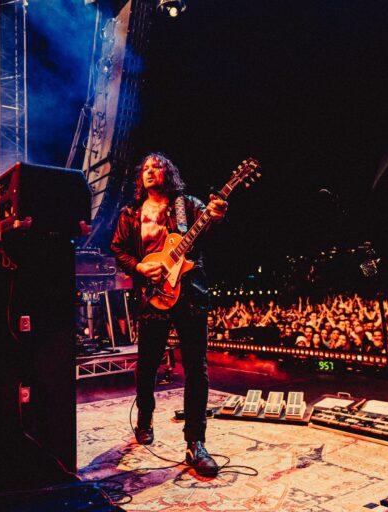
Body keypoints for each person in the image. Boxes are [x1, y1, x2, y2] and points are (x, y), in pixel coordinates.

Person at [110, 152, 227, 477]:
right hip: (153, 295)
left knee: (196, 367)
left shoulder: (187, 204)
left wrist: (215, 215)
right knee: (147, 363)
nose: (149, 171)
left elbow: (210, 229)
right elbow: (118, 248)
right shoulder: (131, 213)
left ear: (168, 172)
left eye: (156, 166)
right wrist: (139, 266)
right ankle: (145, 415)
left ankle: (195, 443)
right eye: (144, 168)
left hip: (190, 293)